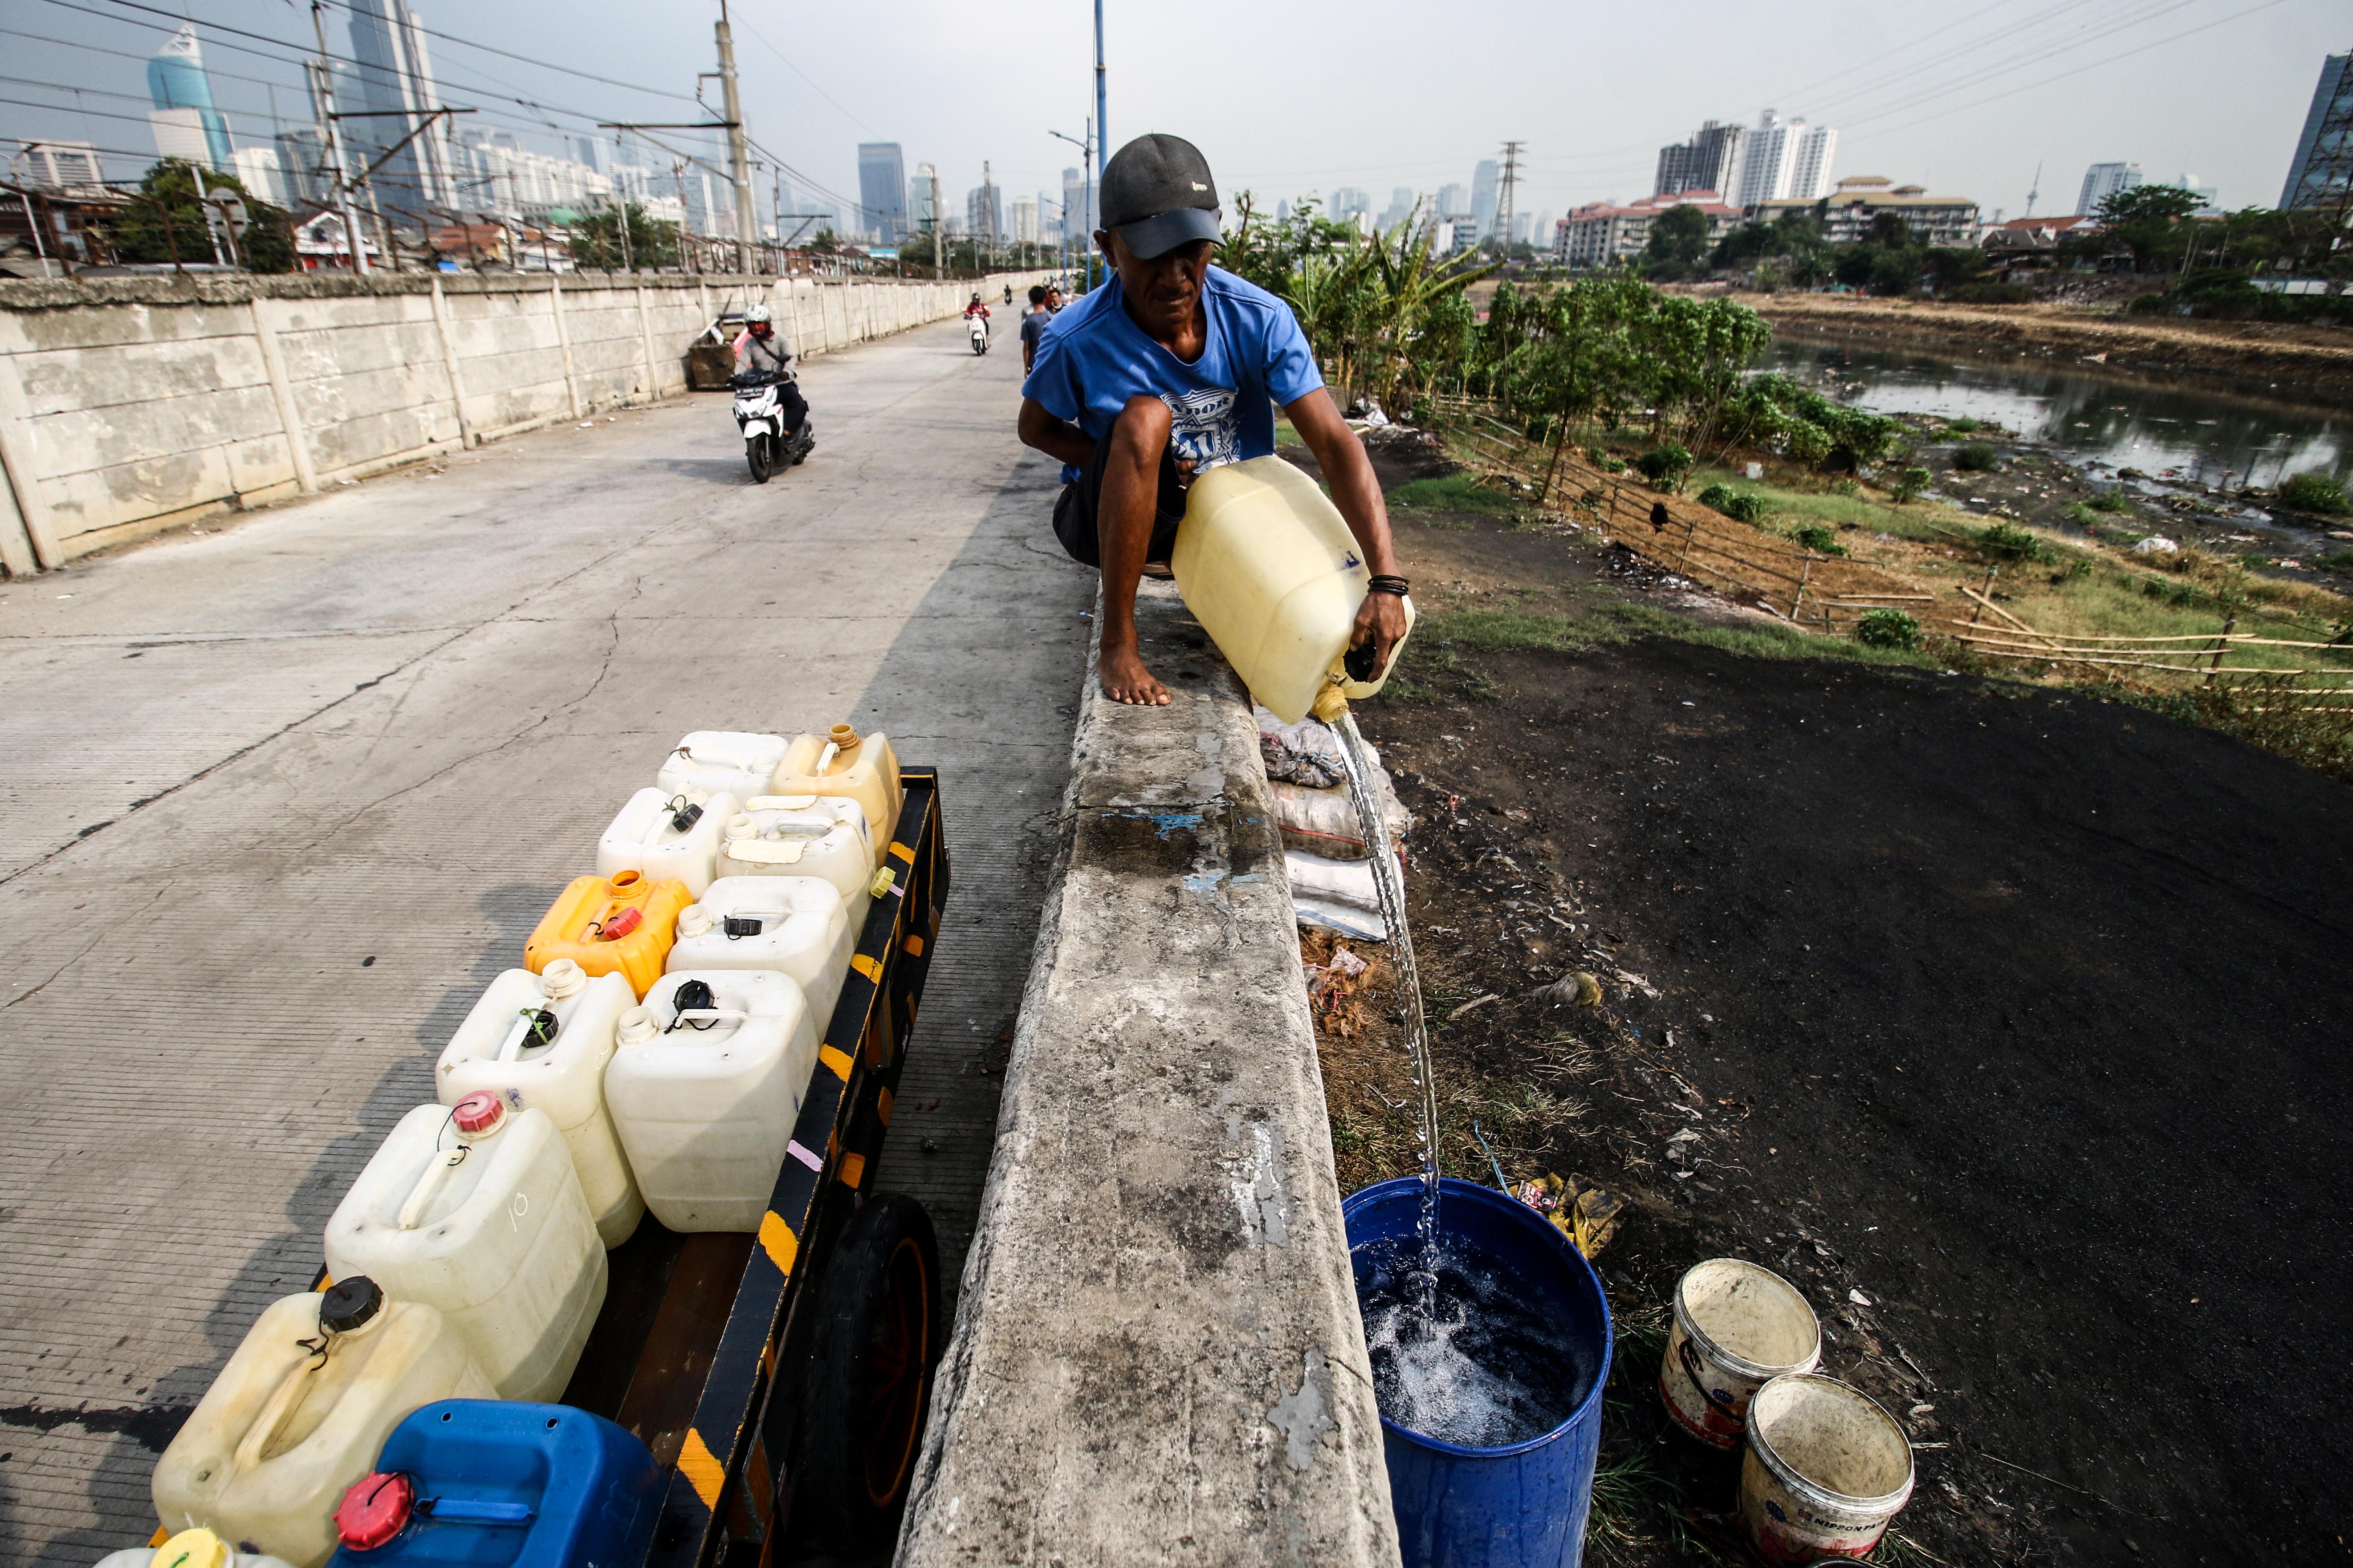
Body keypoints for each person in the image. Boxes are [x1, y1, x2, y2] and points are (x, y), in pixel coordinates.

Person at [1017, 133, 1407, 707]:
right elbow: (1036, 429)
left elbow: (1334, 442)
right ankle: (1119, 643)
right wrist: (1136, 470)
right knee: (1146, 419)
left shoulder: (1259, 319)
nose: (1177, 277)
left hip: (1226, 520)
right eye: (1152, 255)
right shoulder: (1075, 338)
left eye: (1193, 251)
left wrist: (1386, 582)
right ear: (1108, 247)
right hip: (1111, 521)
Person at [732, 304, 808, 442]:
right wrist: (736, 376)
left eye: (759, 325)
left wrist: (786, 373)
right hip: (760, 385)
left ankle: (787, 433)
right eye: (752, 326)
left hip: (781, 383)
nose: (756, 329)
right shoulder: (750, 344)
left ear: (768, 324)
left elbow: (791, 359)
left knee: (799, 406)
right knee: (740, 408)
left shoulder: (781, 340)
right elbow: (743, 363)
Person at [1019, 284, 1052, 374]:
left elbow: (1026, 346)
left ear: (1030, 299)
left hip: (1035, 364)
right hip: (1051, 361)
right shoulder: (1052, 318)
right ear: (1044, 299)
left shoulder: (1028, 322)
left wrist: (1026, 368)